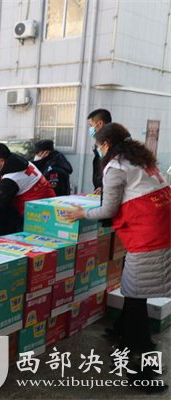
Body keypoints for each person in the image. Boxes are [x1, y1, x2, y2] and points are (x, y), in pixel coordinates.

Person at [67, 123, 170, 393]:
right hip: (161, 232)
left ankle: (141, 368)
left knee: (136, 299)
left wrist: (81, 214)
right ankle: (121, 333)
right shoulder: (141, 161)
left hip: (147, 239)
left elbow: (108, 210)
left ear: (105, 145)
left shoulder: (116, 167)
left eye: (98, 145)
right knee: (134, 292)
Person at [0, 143, 56, 241]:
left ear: (1, 161)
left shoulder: (11, 178)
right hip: (48, 199)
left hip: (38, 211)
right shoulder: (18, 162)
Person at [87, 109, 112, 194]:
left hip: (109, 191)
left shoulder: (111, 143)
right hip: (101, 190)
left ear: (100, 123)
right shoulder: (100, 142)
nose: (90, 129)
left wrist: (105, 187)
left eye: (91, 125)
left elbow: (115, 171)